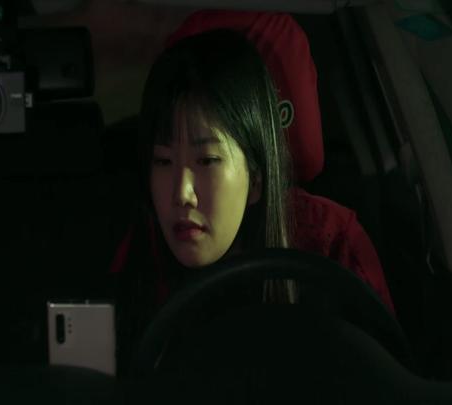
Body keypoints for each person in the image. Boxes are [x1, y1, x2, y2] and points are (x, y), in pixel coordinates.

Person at [115, 17, 395, 372]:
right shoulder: (139, 252)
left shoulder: (331, 246)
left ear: (256, 178)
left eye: (207, 160)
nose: (182, 193)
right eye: (163, 161)